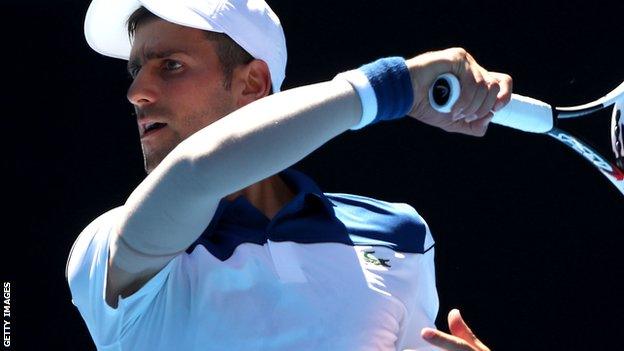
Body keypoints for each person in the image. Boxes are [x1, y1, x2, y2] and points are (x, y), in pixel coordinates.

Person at [65, 0, 512, 350]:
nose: (136, 92)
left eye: (171, 65)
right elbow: (197, 172)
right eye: (135, 70)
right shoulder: (107, 248)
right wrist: (390, 85)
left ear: (253, 85)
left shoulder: (400, 235)